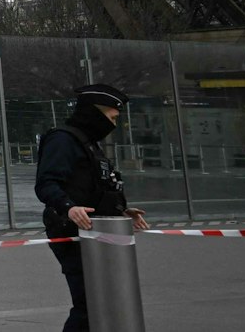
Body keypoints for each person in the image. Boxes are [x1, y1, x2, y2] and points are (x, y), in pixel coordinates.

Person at [35, 82, 148, 332]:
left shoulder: (88, 143)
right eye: (111, 117)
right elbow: (46, 184)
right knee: (90, 304)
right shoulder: (63, 140)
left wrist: (120, 210)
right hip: (73, 232)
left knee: (102, 302)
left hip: (95, 231)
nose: (113, 125)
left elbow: (95, 185)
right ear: (96, 113)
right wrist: (69, 208)